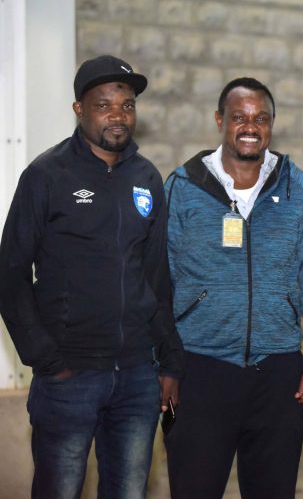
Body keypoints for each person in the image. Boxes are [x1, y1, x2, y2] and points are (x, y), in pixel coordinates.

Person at [0, 55, 183, 499]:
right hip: (69, 375)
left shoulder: (146, 178)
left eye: (127, 105)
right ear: (79, 109)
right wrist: (46, 358)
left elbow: (157, 278)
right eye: (104, 104)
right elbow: (9, 274)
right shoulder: (46, 175)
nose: (118, 115)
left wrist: (170, 362)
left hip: (138, 376)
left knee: (129, 491)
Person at [163, 77, 303, 498]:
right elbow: (158, 282)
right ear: (220, 120)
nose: (250, 126)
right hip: (199, 371)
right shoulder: (183, 188)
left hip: (277, 376)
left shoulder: (297, 190)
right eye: (239, 117)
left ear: (272, 124)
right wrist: (165, 365)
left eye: (261, 118)